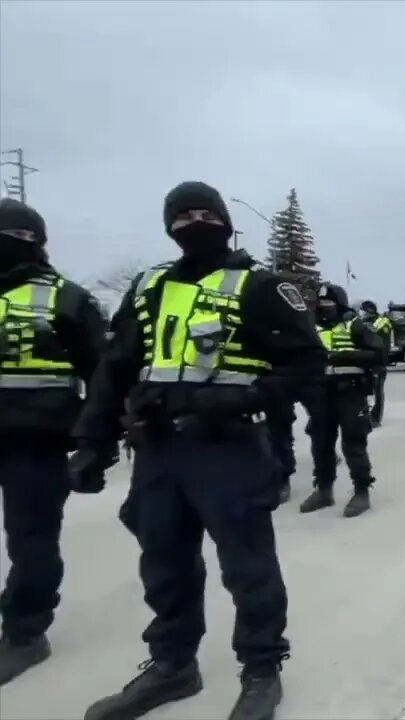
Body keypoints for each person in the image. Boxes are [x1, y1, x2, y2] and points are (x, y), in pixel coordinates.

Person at [69, 181, 326, 720]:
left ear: (226, 221)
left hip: (230, 448)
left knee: (248, 567)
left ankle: (261, 671)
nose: (192, 222)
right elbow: (114, 367)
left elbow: (306, 365)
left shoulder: (260, 286)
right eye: (181, 215)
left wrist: (241, 397)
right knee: (163, 563)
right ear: (168, 227)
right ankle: (172, 666)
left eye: (203, 213)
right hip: (159, 449)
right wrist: (92, 441)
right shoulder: (148, 287)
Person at [0, 199, 107, 685]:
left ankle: (26, 633)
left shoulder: (66, 297)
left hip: (35, 441)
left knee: (32, 540)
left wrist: (96, 440)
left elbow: (102, 374)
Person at [298, 282, 385, 517]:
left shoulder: (354, 325)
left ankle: (361, 491)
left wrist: (345, 356)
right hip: (321, 394)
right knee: (321, 443)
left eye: (330, 302)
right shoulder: (310, 326)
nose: (325, 306)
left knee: (353, 443)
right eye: (322, 302)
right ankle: (324, 490)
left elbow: (379, 353)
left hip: (350, 392)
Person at [359, 300, 393, 427]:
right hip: (364, 362)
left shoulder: (382, 322)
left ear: (369, 310)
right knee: (363, 390)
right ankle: (364, 414)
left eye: (363, 310)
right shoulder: (361, 322)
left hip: (378, 363)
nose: (361, 312)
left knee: (378, 391)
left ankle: (376, 418)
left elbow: (383, 344)